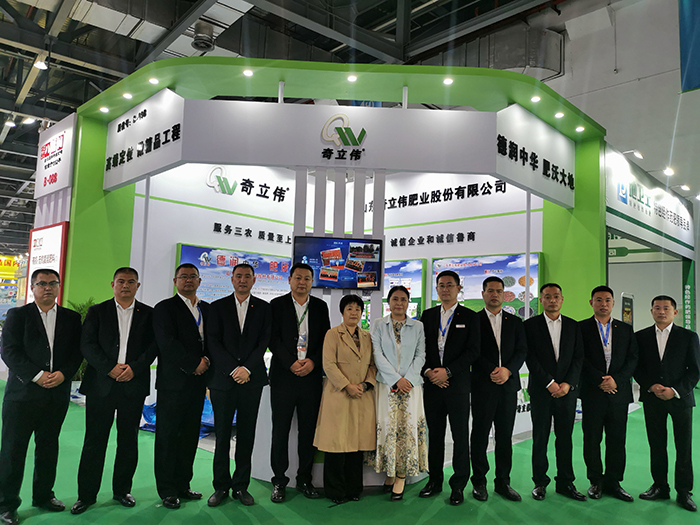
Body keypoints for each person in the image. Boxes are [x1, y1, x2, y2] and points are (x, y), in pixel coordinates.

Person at [71, 267, 157, 514]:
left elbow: (153, 346)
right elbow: (87, 344)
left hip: (133, 384)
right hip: (101, 385)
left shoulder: (148, 314)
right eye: (121, 281)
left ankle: (122, 491)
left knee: (128, 440)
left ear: (138, 286)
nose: (125, 286)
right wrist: (109, 368)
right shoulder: (97, 311)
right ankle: (86, 495)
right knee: (94, 441)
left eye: (131, 282)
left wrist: (135, 368)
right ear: (112, 285)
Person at [0, 269, 82, 525]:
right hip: (22, 395)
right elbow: (9, 351)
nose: (48, 287)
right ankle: (6, 505)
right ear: (32, 287)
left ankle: (44, 495)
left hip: (56, 395)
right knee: (13, 451)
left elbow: (77, 352)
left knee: (48, 448)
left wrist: (64, 374)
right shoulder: (18, 315)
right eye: (42, 283)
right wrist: (37, 375)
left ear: (59, 286)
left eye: (53, 283)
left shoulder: (71, 318)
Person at [206, 263, 271, 508]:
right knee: (222, 435)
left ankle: (241, 486)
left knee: (246, 435)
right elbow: (213, 342)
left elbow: (264, 341)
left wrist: (247, 369)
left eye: (247, 276)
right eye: (239, 276)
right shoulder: (217, 307)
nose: (243, 280)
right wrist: (234, 369)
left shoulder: (263, 308)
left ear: (254, 280)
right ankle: (220, 486)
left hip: (251, 381)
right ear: (231, 279)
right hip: (223, 381)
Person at [269, 263, 330, 503]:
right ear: (289, 280)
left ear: (312, 281)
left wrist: (313, 362)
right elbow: (272, 339)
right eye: (298, 278)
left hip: (310, 379)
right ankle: (279, 481)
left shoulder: (320, 307)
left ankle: (304, 479)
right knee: (280, 431)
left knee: (308, 432)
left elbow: (325, 339)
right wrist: (290, 363)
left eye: (306, 278)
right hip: (283, 378)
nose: (302, 282)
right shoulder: (276, 305)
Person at [418, 270, 480, 505]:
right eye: (441, 285)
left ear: (458, 288)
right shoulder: (428, 316)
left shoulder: (470, 316)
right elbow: (420, 348)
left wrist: (449, 371)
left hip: (458, 387)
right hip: (432, 385)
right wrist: (429, 372)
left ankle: (458, 485)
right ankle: (434, 481)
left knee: (460, 436)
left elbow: (473, 351)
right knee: (434, 436)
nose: (445, 289)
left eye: (450, 285)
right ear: (437, 289)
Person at [152, 263, 211, 509]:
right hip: (173, 383)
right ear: (175, 281)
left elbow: (213, 341)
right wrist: (193, 364)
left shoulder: (207, 309)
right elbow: (166, 343)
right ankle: (167, 489)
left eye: (192, 277)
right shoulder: (164, 308)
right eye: (183, 277)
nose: (188, 280)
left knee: (189, 435)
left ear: (199, 281)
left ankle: (183, 484)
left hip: (198, 383)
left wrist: (206, 363)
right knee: (168, 436)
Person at [635, 295, 700, 512]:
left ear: (675, 312)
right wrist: (650, 386)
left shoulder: (688, 337)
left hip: (680, 399)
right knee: (657, 444)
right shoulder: (641, 337)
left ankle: (684, 491)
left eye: (666, 308)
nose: (661, 312)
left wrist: (675, 391)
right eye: (657, 308)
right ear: (651, 311)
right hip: (653, 399)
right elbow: (637, 367)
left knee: (683, 446)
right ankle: (660, 486)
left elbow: (694, 370)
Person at [524, 283, 585, 502]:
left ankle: (565, 482)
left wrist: (568, 383)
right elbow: (530, 357)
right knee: (540, 438)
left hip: (567, 392)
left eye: (556, 296)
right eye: (547, 296)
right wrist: (549, 382)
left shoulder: (573, 325)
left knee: (565, 437)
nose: (552, 300)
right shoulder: (530, 326)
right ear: (540, 300)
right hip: (542, 391)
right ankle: (540, 482)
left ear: (562, 299)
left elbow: (578, 357)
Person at [314, 295, 376, 504]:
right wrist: (347, 385)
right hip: (339, 394)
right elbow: (328, 364)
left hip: (361, 395)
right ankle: (335, 491)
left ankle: (354, 489)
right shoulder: (332, 334)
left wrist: (365, 385)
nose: (354, 312)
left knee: (356, 445)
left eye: (358, 309)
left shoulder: (367, 337)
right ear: (342, 312)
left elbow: (372, 365)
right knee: (336, 445)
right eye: (349, 308)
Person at [470, 276, 527, 502]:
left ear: (504, 294)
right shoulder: (474, 321)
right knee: (480, 435)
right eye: (490, 291)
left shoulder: (515, 322)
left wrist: (508, 371)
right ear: (483, 294)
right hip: (483, 385)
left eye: (499, 291)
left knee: (504, 436)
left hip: (507, 387)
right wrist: (493, 370)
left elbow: (522, 351)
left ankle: (503, 482)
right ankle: (479, 482)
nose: (495, 294)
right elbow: (473, 351)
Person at [579, 285, 638, 502]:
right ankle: (595, 481)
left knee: (617, 439)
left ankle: (614, 482)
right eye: (598, 300)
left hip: (618, 394)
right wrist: (600, 380)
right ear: (591, 302)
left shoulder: (625, 329)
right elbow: (579, 358)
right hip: (593, 393)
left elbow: (633, 359)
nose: (603, 304)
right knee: (592, 439)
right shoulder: (581, 328)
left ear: (613, 303)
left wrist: (616, 380)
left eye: (607, 300)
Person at [370, 285, 427, 501]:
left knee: (407, 428)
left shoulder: (418, 326)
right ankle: (390, 472)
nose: (399, 303)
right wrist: (396, 379)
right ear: (389, 302)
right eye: (395, 299)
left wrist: (407, 380)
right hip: (386, 385)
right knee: (388, 428)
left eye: (403, 299)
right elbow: (377, 354)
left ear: (408, 302)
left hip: (411, 387)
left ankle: (401, 475)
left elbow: (421, 355)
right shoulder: (379, 324)